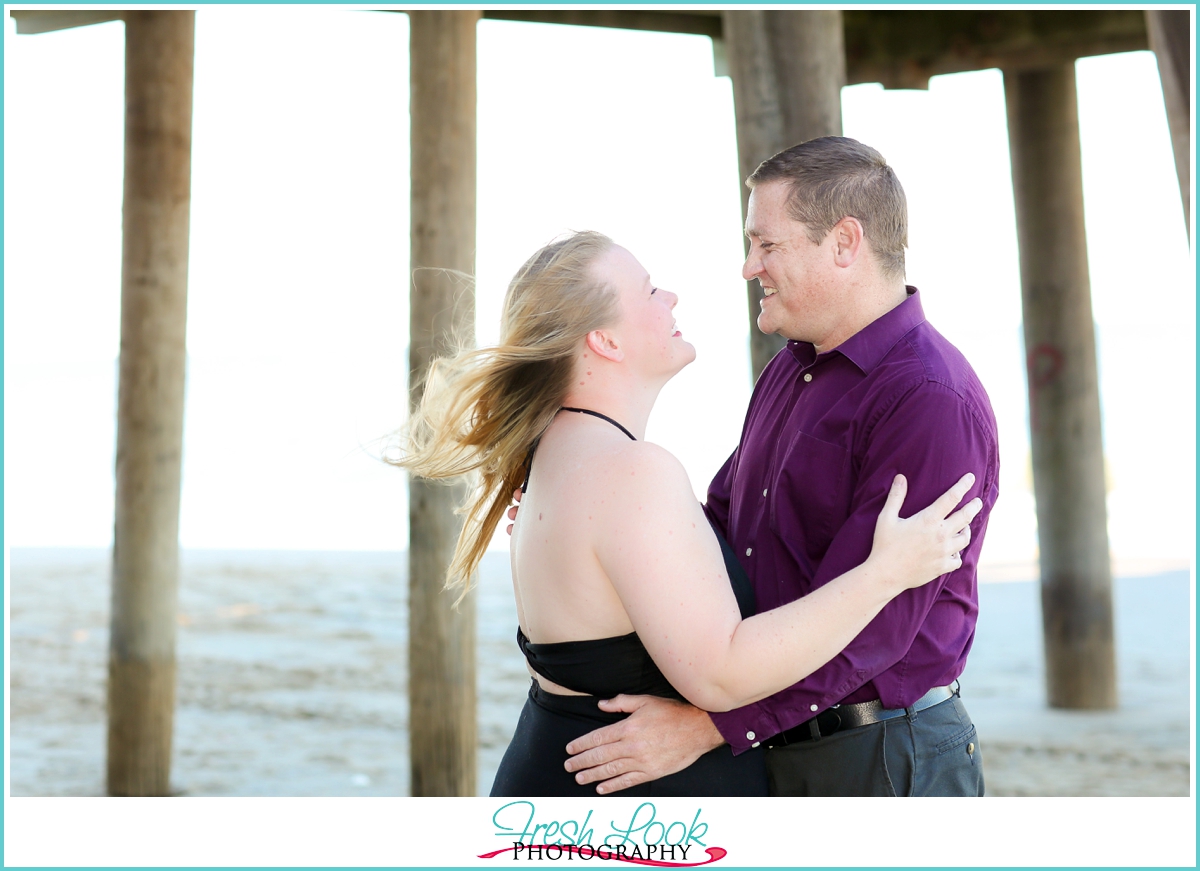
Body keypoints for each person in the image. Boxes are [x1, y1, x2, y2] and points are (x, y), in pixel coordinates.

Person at [396, 228, 982, 796]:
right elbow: (721, 674)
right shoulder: (631, 472)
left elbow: (701, 546)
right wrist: (887, 571)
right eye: (649, 290)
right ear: (605, 341)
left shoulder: (556, 456)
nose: (670, 296)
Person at [558, 137, 1001, 797]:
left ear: (845, 243)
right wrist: (589, 510)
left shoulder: (929, 399)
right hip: (774, 745)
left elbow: (879, 622)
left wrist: (711, 725)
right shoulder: (793, 367)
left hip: (880, 757)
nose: (748, 266)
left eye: (767, 245)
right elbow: (723, 526)